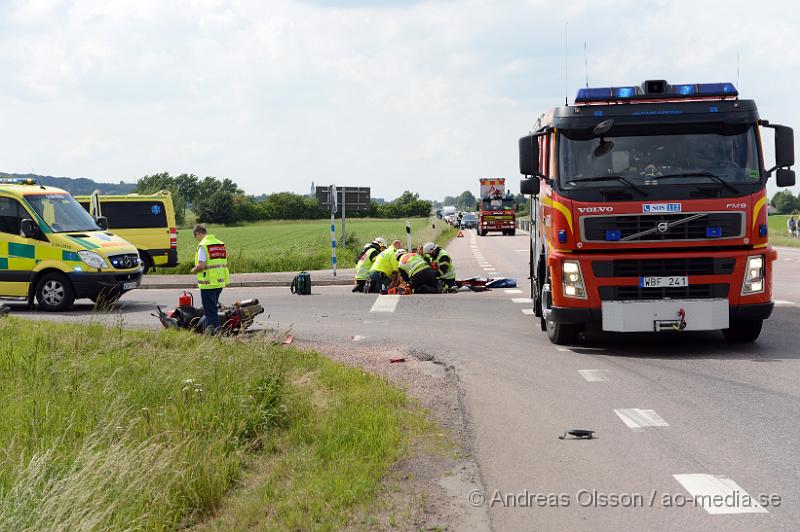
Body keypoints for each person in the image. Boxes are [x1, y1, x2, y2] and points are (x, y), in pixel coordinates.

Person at [190, 224, 229, 333]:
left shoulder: (203, 245)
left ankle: (214, 335)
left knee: (210, 311)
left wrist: (194, 270)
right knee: (212, 309)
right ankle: (211, 333)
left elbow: (201, 265)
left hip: (208, 283)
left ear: (198, 233)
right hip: (220, 282)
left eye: (195, 236)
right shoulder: (220, 244)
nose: (196, 239)